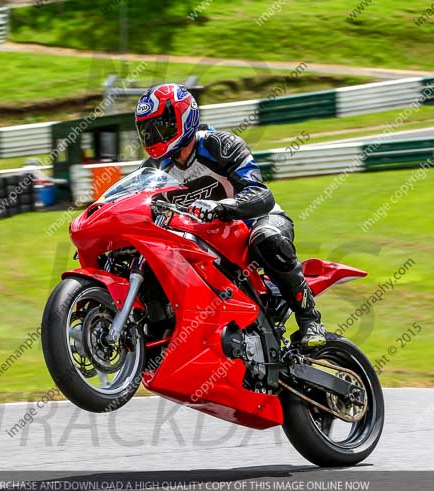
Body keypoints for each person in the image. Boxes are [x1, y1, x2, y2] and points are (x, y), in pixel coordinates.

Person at [135, 83, 326, 348]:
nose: (153, 136)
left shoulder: (219, 145)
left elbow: (261, 194)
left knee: (266, 238)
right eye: (147, 130)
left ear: (184, 117)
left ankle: (309, 319)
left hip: (255, 221)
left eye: (160, 127)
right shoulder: (153, 168)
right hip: (208, 241)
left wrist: (224, 207)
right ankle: (161, 331)